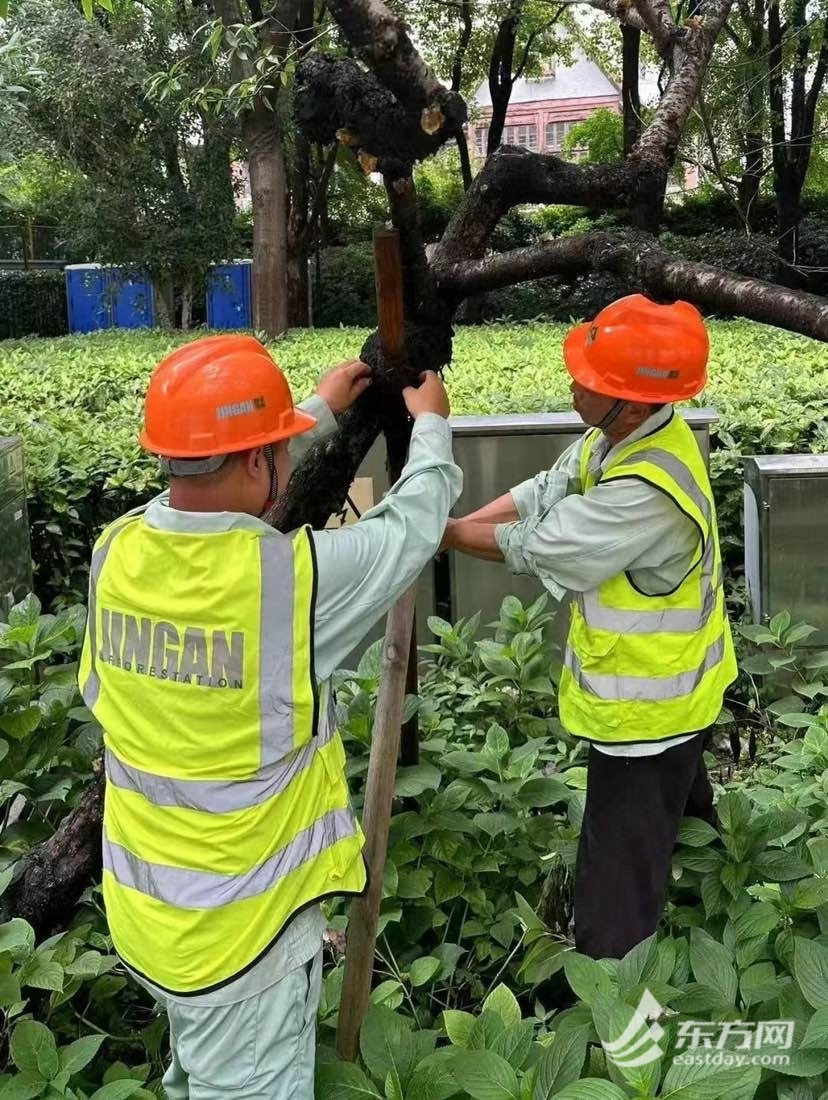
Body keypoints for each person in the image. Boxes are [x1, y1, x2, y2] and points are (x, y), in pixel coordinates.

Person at [78, 334, 461, 1098]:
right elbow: (411, 529)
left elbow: (221, 469)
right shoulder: (291, 585)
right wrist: (434, 427)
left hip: (151, 919)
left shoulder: (116, 551)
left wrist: (313, 409)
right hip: (242, 945)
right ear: (259, 461)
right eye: (275, 444)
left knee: (194, 1078)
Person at [441, 294, 736, 960]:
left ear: (631, 403)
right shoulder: (629, 433)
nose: (574, 384)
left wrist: (450, 534)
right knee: (687, 829)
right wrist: (450, 530)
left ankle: (610, 1015)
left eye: (590, 382)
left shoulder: (645, 492)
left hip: (646, 717)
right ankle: (721, 921)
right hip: (673, 695)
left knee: (616, 884)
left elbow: (542, 542)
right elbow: (545, 490)